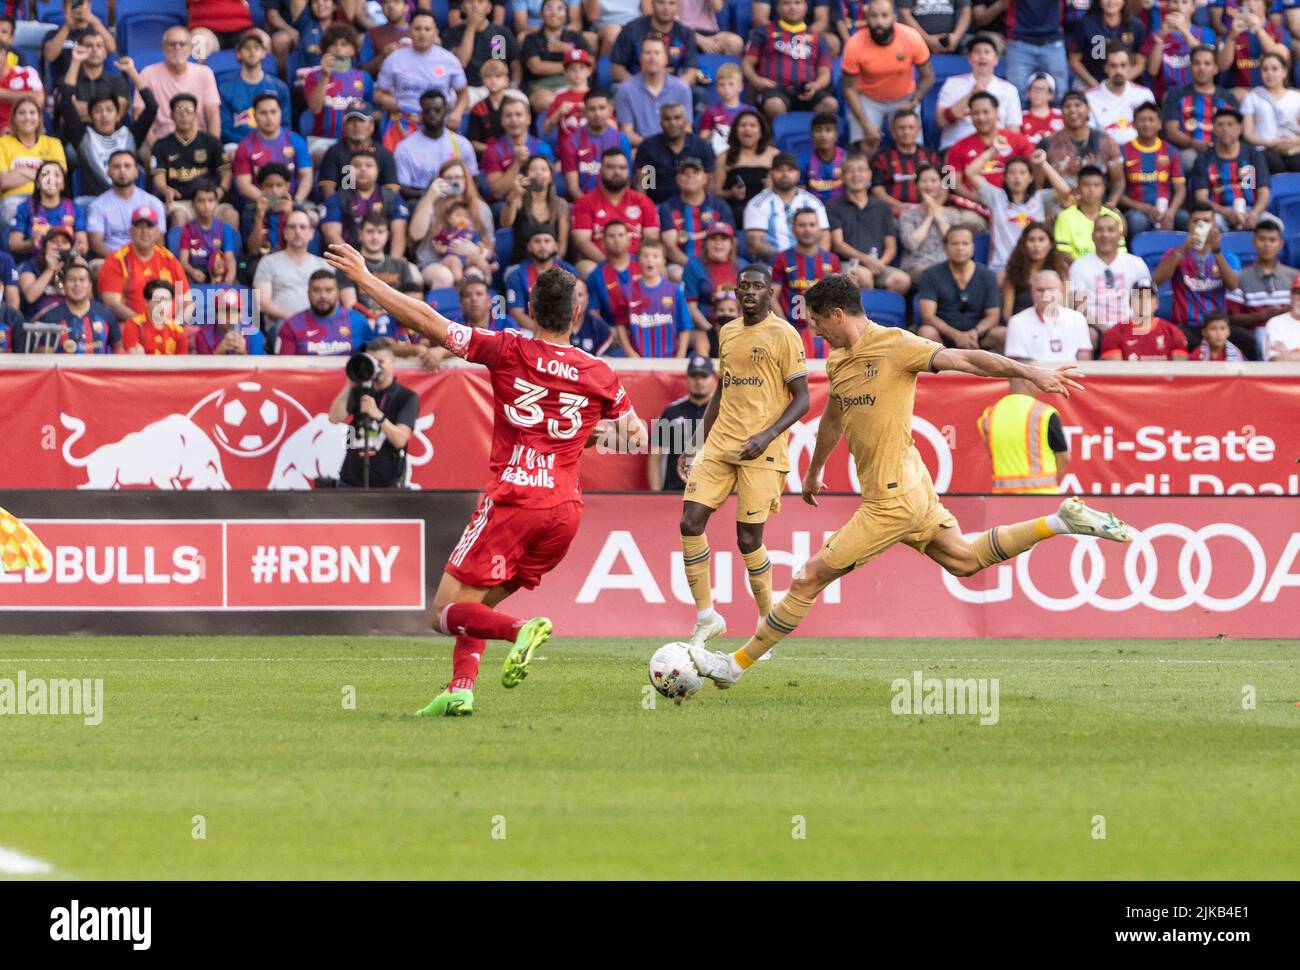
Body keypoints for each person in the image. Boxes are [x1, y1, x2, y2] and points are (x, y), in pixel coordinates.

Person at [687, 273, 1131, 687]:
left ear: (837, 315)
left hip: (893, 498)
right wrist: (815, 468)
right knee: (964, 560)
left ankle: (733, 666)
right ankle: (1059, 522)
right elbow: (834, 417)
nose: (816, 332)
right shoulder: (840, 360)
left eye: (819, 322)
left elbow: (965, 358)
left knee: (807, 579)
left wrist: (1028, 371)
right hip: (913, 486)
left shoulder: (895, 343)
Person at [322, 242, 645, 717]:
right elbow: (634, 436)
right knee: (476, 605)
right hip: (564, 513)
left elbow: (430, 322)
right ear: (577, 314)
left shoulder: (507, 347)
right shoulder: (600, 371)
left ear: (531, 309)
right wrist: (578, 436)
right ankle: (461, 688)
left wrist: (368, 281)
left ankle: (523, 630)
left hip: (515, 500)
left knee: (442, 615)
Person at [678, 262, 809, 647]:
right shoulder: (728, 332)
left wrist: (768, 433)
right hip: (721, 443)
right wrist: (695, 443)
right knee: (690, 522)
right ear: (735, 293)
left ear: (770, 293)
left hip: (762, 449)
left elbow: (802, 398)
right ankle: (707, 616)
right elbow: (722, 390)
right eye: (743, 287)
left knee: (748, 540)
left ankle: (766, 625)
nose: (749, 292)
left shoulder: (785, 334)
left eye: (757, 286)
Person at [841, 0, 934, 152]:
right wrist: (865, 123)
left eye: (884, 16)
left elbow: (928, 76)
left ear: (894, 17)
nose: (879, 22)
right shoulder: (854, 44)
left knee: (912, 144)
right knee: (866, 144)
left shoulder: (911, 37)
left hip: (905, 98)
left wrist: (914, 100)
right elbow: (849, 88)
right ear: (867, 18)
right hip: (868, 99)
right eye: (874, 16)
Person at [327, 337, 420, 487]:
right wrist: (350, 383)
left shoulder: (406, 396)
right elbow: (334, 417)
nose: (377, 366)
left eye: (381, 362)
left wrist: (377, 415)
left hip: (387, 484)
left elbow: (400, 440)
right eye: (372, 361)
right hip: (350, 480)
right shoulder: (359, 391)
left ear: (392, 361)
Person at [1152, 204, 1244, 351]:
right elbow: (1155, 281)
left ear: (1214, 225)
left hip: (1218, 328)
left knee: (1249, 341)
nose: (1201, 225)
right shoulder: (1175, 253)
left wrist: (1217, 252)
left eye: (1207, 221)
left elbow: (1233, 285)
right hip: (1185, 326)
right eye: (1196, 221)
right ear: (1189, 225)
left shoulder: (1227, 256)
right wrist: (1182, 251)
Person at [965, 147, 1070, 274]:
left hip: (1035, 269)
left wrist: (1043, 163)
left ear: (1031, 177)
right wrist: (994, 149)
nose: (1017, 177)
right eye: (1012, 173)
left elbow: (1064, 191)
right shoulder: (996, 198)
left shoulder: (1039, 199)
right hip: (1001, 268)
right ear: (1005, 178)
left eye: (1022, 173)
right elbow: (970, 172)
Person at [828, 150, 910, 295]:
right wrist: (866, 260)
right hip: (848, 263)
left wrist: (881, 264)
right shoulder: (834, 205)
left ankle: (882, 315)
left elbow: (891, 246)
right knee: (864, 276)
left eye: (861, 170)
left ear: (869, 174)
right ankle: (865, 316)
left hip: (877, 264)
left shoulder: (883, 206)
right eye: (851, 171)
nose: (856, 175)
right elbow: (838, 244)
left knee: (902, 280)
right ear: (843, 177)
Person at [571, 148, 661, 277]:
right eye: (610, 167)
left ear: (628, 173)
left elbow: (651, 240)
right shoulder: (584, 203)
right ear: (600, 171)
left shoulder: (643, 201)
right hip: (599, 263)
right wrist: (611, 265)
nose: (617, 172)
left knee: (660, 270)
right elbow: (582, 242)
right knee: (585, 268)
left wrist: (631, 265)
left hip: (637, 263)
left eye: (622, 168)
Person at [744, 0, 837, 122]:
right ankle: (774, 138)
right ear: (778, 7)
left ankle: (811, 137)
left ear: (805, 7)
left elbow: (824, 72)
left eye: (797, 3)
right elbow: (747, 62)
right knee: (775, 105)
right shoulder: (764, 32)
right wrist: (756, 80)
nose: (792, 7)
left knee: (830, 104)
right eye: (786, 3)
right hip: (775, 91)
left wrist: (817, 85)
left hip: (807, 92)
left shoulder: (817, 37)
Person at [375, 11, 469, 130]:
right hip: (404, 121)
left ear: (436, 32)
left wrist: (457, 114)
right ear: (410, 31)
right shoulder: (394, 59)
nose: (422, 33)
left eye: (427, 29)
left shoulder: (449, 60)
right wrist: (385, 99)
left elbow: (463, 93)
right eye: (417, 28)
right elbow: (378, 93)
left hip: (438, 122)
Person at [918, 225, 1004, 351]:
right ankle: (935, 370)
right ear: (945, 248)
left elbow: (993, 316)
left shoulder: (988, 275)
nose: (960, 248)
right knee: (926, 332)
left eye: (965, 243)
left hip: (977, 336)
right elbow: (928, 316)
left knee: (1003, 334)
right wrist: (956, 335)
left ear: (973, 248)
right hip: (943, 335)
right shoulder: (930, 274)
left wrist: (975, 332)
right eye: (954, 243)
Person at [254, 209, 344, 327]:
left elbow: (335, 303)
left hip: (320, 326)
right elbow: (261, 303)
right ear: (285, 233)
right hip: (282, 326)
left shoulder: (325, 265)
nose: (297, 231)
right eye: (292, 227)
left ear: (311, 233)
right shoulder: (267, 262)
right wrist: (296, 320)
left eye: (302, 227)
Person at [97, 207, 189, 322]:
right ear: (131, 231)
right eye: (139, 226)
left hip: (170, 326)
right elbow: (112, 303)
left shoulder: (169, 259)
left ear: (157, 232)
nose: (144, 231)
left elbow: (186, 300)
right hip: (131, 325)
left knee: (194, 333)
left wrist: (174, 325)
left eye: (149, 226)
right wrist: (144, 323)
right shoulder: (117, 260)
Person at [150, 93, 229, 228]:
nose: (184, 116)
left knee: (230, 214)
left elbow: (227, 173)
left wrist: (221, 190)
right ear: (171, 116)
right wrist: (166, 190)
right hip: (181, 202)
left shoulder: (211, 142)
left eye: (189, 111)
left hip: (208, 199)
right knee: (178, 217)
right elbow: (159, 179)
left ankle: (228, 250)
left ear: (196, 115)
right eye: (179, 111)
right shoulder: (161, 145)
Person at [134, 26, 221, 147]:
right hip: (160, 140)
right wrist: (155, 148)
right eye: (172, 44)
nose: (177, 48)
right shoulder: (147, 73)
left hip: (198, 141)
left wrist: (214, 147)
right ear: (163, 48)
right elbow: (139, 113)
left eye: (182, 44)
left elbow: (213, 113)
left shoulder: (205, 73)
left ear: (190, 48)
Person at [944, 92, 1034, 209]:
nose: (981, 117)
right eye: (976, 113)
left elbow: (1033, 173)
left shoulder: (1019, 140)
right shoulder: (957, 147)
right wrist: (982, 201)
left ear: (997, 113)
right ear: (970, 115)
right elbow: (952, 184)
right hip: (974, 208)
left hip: (1016, 206)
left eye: (986, 112)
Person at [935, 33, 1021, 152]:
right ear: (970, 58)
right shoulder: (953, 83)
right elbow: (942, 121)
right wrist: (971, 95)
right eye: (977, 52)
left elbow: (1013, 129)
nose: (982, 56)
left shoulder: (1009, 89)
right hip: (956, 147)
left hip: (995, 149)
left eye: (987, 52)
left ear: (996, 59)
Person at [1067, 212, 1149, 337]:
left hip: (1131, 326)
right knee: (1088, 335)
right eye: (1100, 230)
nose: (1105, 235)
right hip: (1095, 328)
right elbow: (1078, 307)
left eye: (1111, 230)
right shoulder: (1078, 266)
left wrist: (1126, 328)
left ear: (1120, 235)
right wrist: (1106, 330)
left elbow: (1145, 301)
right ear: (1092, 236)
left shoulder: (1136, 263)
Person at [899, 165, 986, 282]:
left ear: (941, 185)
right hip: (917, 265)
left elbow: (954, 240)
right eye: (924, 181)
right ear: (916, 185)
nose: (929, 185)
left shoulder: (952, 214)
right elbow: (911, 244)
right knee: (936, 275)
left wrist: (937, 214)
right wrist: (929, 217)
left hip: (948, 265)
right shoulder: (908, 214)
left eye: (933, 181)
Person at [1191, 106, 1272, 232]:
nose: (1225, 129)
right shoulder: (1204, 159)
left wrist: (1255, 214)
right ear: (1214, 129)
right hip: (1218, 213)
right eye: (1220, 125)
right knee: (1207, 227)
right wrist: (1226, 212)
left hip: (1251, 211)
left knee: (1275, 224)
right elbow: (1201, 199)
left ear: (1240, 128)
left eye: (1230, 124)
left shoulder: (1254, 155)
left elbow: (1264, 193)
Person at [615, 239, 699, 357]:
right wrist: (630, 353)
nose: (650, 259)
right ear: (638, 260)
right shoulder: (627, 291)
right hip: (637, 360)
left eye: (655, 256)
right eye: (645, 256)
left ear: (663, 261)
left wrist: (680, 356)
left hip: (668, 360)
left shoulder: (675, 291)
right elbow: (621, 325)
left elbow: (684, 327)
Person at [302, 24, 374, 162]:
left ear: (353, 49)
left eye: (344, 44)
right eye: (333, 44)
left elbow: (372, 112)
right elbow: (315, 108)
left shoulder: (364, 77)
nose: (338, 48)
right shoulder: (314, 76)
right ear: (325, 49)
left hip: (356, 143)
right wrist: (325, 76)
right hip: (323, 141)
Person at [1163, 45, 1238, 173]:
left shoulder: (1228, 98)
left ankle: (1247, 193)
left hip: (1224, 151)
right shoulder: (1176, 95)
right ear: (1190, 67)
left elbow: (1236, 131)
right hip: (1189, 152)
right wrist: (1194, 143)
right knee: (1189, 160)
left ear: (1215, 69)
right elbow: (1171, 132)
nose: (1202, 68)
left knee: (1250, 166)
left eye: (1207, 64)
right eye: (1197, 63)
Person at [1119, 101, 1187, 237]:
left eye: (1151, 120)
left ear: (1159, 124)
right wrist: (1144, 208)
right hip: (1137, 210)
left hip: (1166, 208)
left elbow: (1180, 188)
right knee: (1137, 221)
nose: (1147, 124)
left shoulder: (1171, 151)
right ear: (1133, 124)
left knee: (1185, 218)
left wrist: (1171, 212)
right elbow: (1118, 193)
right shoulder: (1122, 151)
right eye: (1142, 120)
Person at [743, 152, 828, 262]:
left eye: (790, 170)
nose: (785, 174)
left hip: (810, 263)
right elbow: (755, 242)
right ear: (771, 173)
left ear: (798, 174)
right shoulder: (757, 204)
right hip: (771, 266)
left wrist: (813, 262)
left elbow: (824, 237)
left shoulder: (813, 202)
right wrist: (785, 262)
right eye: (779, 170)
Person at [394, 90, 479, 199]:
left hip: (457, 199)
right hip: (420, 200)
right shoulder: (404, 148)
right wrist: (432, 194)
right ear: (421, 114)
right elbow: (403, 188)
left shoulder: (462, 144)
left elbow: (474, 180)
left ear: (445, 111)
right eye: (427, 111)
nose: (432, 114)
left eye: (437, 110)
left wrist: (450, 192)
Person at [650, 354, 716, 492]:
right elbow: (655, 458)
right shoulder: (671, 412)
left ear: (713, 380)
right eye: (694, 376)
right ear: (687, 379)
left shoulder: (724, 412)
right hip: (675, 491)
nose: (699, 381)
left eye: (704, 376)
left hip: (712, 494)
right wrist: (655, 496)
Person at [1041, 91, 1125, 198]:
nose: (1072, 110)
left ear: (1088, 109)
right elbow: (1040, 187)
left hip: (1099, 208)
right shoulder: (1047, 143)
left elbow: (1118, 182)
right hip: (1061, 207)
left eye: (1078, 105)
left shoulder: (1106, 141)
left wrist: (1111, 204)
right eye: (1067, 106)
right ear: (1061, 111)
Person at [613, 34, 692, 148]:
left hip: (675, 151)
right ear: (640, 58)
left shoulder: (682, 88)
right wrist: (653, 148)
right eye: (648, 53)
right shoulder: (625, 89)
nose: (652, 57)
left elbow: (687, 130)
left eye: (657, 53)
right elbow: (626, 133)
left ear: (665, 58)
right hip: (642, 151)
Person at [658, 156, 734, 273]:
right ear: (678, 179)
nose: (690, 176)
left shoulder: (719, 206)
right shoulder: (667, 208)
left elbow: (731, 241)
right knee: (676, 273)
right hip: (682, 266)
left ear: (705, 178)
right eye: (685, 173)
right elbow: (670, 248)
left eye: (696, 172)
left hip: (716, 263)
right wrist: (696, 269)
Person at [0, 97, 68, 225]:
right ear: (14, 117)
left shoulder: (53, 144)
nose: (27, 117)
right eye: (21, 113)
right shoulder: (2, 144)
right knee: (11, 213)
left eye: (32, 112)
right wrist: (41, 174)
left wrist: (19, 172)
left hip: (48, 199)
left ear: (39, 117)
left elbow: (57, 179)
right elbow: (3, 181)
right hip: (14, 199)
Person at [219, 29, 291, 148]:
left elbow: (285, 124)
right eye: (247, 48)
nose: (252, 51)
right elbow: (225, 129)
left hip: (272, 142)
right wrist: (250, 144)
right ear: (238, 53)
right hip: (238, 145)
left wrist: (265, 141)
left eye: (256, 47)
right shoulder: (225, 89)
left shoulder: (279, 87)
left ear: (264, 53)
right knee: (229, 149)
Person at [53, 31, 127, 146]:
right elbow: (65, 105)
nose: (94, 49)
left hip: (111, 143)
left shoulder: (117, 81)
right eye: (89, 45)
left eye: (99, 45)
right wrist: (106, 111)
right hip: (75, 142)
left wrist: (80, 108)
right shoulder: (68, 79)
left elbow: (120, 110)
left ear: (105, 53)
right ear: (80, 49)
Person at [634, 102, 715, 207]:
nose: (672, 123)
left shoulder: (701, 146)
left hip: (695, 207)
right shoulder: (649, 147)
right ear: (661, 123)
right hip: (658, 206)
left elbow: (709, 185)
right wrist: (647, 211)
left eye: (677, 118)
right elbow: (644, 186)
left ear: (685, 121)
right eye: (667, 119)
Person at [520, 0, 593, 115]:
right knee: (547, 101)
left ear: (566, 14)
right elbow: (536, 67)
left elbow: (590, 63)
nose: (554, 13)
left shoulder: (574, 37)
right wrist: (572, 65)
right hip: (542, 86)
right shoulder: (531, 39)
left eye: (560, 9)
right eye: (549, 8)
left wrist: (568, 50)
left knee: (592, 102)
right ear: (541, 13)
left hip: (575, 84)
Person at [34, 257, 119, 354]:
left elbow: (118, 348)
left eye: (82, 280)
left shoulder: (106, 314)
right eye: (71, 280)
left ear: (90, 286)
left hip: (98, 369)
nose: (77, 284)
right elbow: (44, 360)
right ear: (64, 286)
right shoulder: (50, 318)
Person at [1004, 269, 1093, 362]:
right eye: (1040, 290)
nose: (1046, 295)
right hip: (1034, 375)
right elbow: (1017, 362)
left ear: (1061, 291)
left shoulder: (1077, 318)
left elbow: (1084, 359)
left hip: (1071, 374)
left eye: (1051, 289)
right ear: (1032, 292)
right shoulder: (1017, 322)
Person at [1226, 218, 1298, 333]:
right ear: (1254, 241)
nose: (1267, 244)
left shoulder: (1295, 276)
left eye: (1272, 240)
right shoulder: (1239, 278)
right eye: (1262, 239)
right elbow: (1233, 318)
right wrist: (1264, 315)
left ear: (1280, 244)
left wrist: (1289, 311)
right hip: (1257, 335)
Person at [445, 0, 523, 104]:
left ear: (489, 8)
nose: (475, 5)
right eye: (469, 2)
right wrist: (471, 27)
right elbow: (461, 62)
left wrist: (514, 84)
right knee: (452, 101)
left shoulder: (502, 32)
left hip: (499, 88)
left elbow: (516, 65)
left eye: (480, 2)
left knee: (521, 101)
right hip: (468, 89)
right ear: (462, 7)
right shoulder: (451, 33)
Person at [317, 103, 399, 200]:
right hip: (342, 209)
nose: (356, 125)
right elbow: (328, 190)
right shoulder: (334, 152)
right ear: (344, 126)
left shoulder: (385, 155)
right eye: (351, 121)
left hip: (377, 210)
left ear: (371, 125)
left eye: (361, 121)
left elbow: (391, 191)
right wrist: (340, 209)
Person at [869, 109, 941, 218]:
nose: (906, 132)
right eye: (901, 128)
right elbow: (876, 189)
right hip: (894, 213)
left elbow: (947, 184)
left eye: (911, 127)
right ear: (893, 130)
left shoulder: (932, 156)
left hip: (929, 211)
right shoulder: (881, 157)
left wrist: (934, 206)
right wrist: (900, 206)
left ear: (919, 129)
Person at [277, 269, 369, 355]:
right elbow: (284, 367)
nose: (323, 296)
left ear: (337, 293)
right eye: (316, 290)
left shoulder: (358, 321)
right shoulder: (292, 325)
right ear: (308, 293)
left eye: (328, 290)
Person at [713, 108, 779, 225]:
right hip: (736, 212)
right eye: (743, 125)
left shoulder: (774, 154)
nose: (747, 129)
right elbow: (714, 192)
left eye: (753, 125)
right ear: (735, 131)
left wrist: (774, 187)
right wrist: (731, 194)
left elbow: (788, 186)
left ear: (761, 131)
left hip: (769, 209)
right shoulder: (724, 157)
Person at [560, 88, 630, 199]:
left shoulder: (621, 140)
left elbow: (626, 181)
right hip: (585, 204)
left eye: (602, 108)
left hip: (615, 204)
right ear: (584, 112)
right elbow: (573, 188)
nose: (597, 113)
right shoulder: (570, 142)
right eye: (591, 109)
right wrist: (591, 207)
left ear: (610, 110)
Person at [505, 225, 578, 331]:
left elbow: (576, 303)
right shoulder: (517, 275)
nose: (542, 245)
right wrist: (543, 332)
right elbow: (516, 313)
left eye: (547, 241)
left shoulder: (569, 271)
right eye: (537, 241)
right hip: (531, 329)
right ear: (529, 246)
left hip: (564, 328)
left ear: (556, 246)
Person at [611, 0, 699, 87]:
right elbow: (617, 69)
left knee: (699, 94)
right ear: (652, 4)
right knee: (616, 89)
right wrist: (640, 89)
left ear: (678, 7)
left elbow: (691, 72)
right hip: (636, 87)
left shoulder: (687, 34)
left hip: (672, 90)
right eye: (661, 2)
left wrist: (673, 90)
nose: (666, 7)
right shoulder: (632, 29)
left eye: (672, 3)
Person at [502, 154, 569, 267]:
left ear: (551, 177)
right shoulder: (518, 200)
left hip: (550, 265)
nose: (538, 173)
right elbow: (505, 224)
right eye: (533, 169)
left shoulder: (560, 204)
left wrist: (550, 267)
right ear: (526, 175)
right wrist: (513, 195)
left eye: (543, 169)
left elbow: (562, 245)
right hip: (520, 266)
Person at [483, 99, 555, 203]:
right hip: (506, 204)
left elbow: (549, 185)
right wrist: (517, 163)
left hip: (537, 202)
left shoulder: (542, 148)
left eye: (518, 115)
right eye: (508, 115)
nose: (514, 120)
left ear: (529, 119)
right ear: (502, 121)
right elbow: (497, 193)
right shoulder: (493, 151)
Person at [1098, 279, 1190, 359]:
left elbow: (1180, 374)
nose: (1144, 301)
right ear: (1130, 302)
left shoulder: (1174, 333)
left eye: (1149, 297)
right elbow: (1114, 375)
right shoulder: (1114, 334)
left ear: (1157, 303)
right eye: (1139, 297)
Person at [1142, 0, 1213, 103]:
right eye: (1175, 2)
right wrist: (1161, 37)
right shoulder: (1156, 35)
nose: (1179, 6)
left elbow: (1206, 62)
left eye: (1184, 2)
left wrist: (1185, 31)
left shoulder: (1206, 32)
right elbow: (1152, 71)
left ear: (1193, 7)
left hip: (1199, 90)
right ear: (1167, 6)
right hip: (1168, 94)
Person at [9, 161, 84, 258]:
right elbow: (13, 244)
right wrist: (31, 243)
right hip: (34, 262)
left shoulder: (75, 208)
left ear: (63, 184)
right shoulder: (24, 208)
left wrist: (70, 253)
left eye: (56, 175)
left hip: (67, 261)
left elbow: (83, 245)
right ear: (37, 183)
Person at [1241, 52, 1300, 175]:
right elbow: (1247, 134)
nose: (1270, 73)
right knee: (1271, 161)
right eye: (1265, 69)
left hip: (1294, 147)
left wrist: (1295, 141)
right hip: (1264, 149)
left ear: (1284, 72)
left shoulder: (1296, 97)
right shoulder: (1253, 97)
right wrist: (1269, 143)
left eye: (1275, 69)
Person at [1084, 45, 1154, 147]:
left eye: (1123, 65)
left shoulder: (1144, 94)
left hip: (1139, 151)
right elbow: (1089, 134)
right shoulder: (1089, 97)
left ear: (1129, 67)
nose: (1118, 71)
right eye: (1113, 66)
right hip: (1104, 153)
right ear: (1106, 68)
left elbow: (1152, 130)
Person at [1003, 221, 1073, 321]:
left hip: (1053, 324)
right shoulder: (1014, 271)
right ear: (1024, 244)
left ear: (1051, 244)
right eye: (1031, 240)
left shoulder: (1061, 271)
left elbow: (1065, 306)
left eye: (1041, 240)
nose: (1036, 244)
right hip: (1021, 325)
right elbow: (1007, 312)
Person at [1070, 0, 1146, 90]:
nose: (1111, 2)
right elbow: (1074, 61)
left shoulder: (1135, 25)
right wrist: (1096, 85)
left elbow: (1140, 63)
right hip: (1090, 81)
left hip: (1123, 81)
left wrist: (1119, 81)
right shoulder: (1086, 24)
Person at [1054, 165, 1126, 260]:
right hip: (1078, 271)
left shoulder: (1113, 217)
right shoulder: (1064, 217)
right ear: (1078, 188)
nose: (1091, 190)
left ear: (1103, 189)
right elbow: (1063, 254)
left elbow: (1121, 252)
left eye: (1096, 185)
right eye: (1086, 185)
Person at [1004, 0, 1071, 100]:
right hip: (1019, 41)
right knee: (1016, 96)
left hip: (1052, 41)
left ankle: (1058, 116)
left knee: (1060, 94)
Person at [1217, 0, 1284, 100]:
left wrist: (1259, 30)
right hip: (1239, 94)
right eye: (1246, 1)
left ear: (1265, 4)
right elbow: (1222, 66)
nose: (1251, 4)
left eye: (1256, 0)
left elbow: (1282, 58)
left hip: (1271, 93)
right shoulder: (1231, 33)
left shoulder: (1277, 30)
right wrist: (1232, 36)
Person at [177, 180, 239, 285]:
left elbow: (229, 257)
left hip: (219, 272)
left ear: (216, 203)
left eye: (210, 201)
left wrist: (231, 273)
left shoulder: (224, 228)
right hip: (195, 274)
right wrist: (192, 272)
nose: (206, 206)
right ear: (193, 205)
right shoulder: (188, 229)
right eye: (201, 201)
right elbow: (183, 261)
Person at [120, 279, 188, 355]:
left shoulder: (178, 332)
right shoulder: (134, 325)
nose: (162, 305)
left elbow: (181, 364)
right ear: (146, 302)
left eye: (166, 300)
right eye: (157, 300)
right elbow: (133, 361)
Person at [540, 46, 594, 140]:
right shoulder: (559, 95)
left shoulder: (595, 95)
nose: (577, 72)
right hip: (566, 149)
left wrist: (590, 112)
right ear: (566, 73)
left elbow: (612, 126)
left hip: (591, 145)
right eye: (572, 69)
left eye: (581, 68)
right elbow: (545, 130)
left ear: (589, 71)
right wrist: (558, 113)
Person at [194, 289, 266, 355]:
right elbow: (203, 367)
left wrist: (244, 353)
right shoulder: (203, 335)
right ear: (216, 314)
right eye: (224, 311)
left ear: (241, 314)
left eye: (234, 311)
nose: (229, 316)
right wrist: (218, 352)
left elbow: (258, 367)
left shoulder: (254, 334)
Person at [700, 62, 745, 157]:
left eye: (731, 84)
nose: (726, 88)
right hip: (718, 154)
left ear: (740, 86)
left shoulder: (749, 111)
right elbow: (703, 137)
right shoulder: (710, 111)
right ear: (717, 88)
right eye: (722, 85)